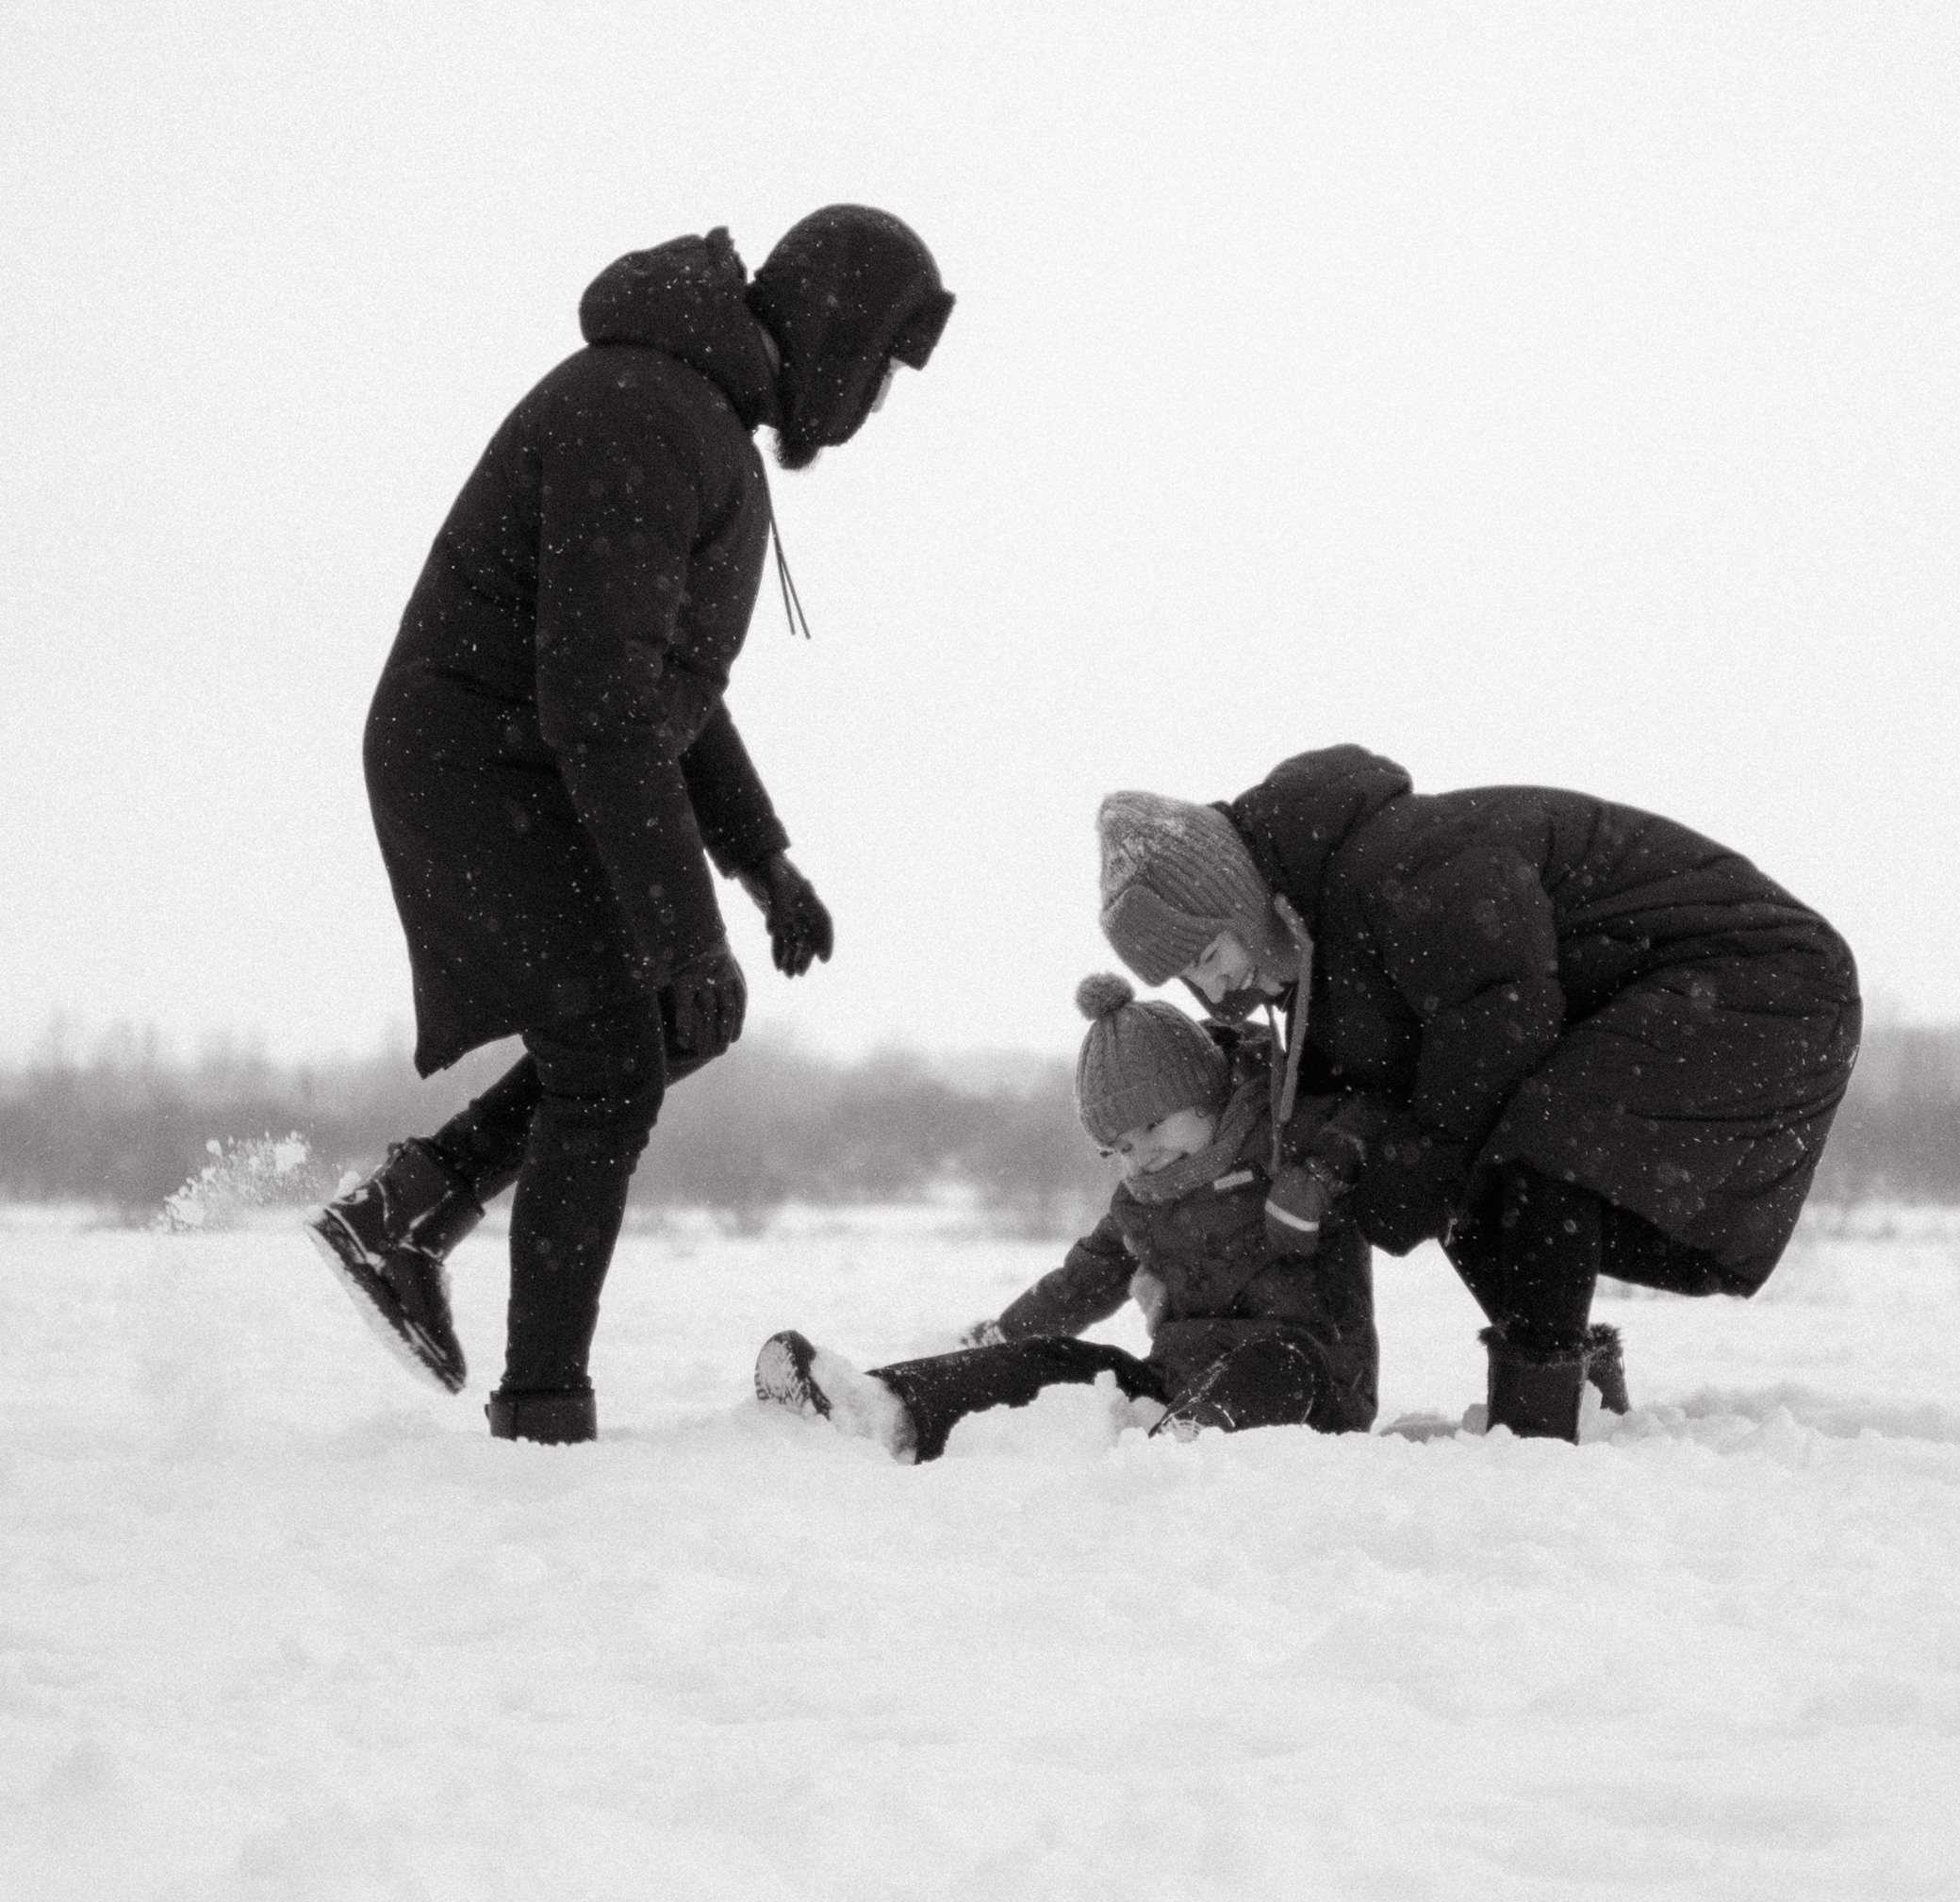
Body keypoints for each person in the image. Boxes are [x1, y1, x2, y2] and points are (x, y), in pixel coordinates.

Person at [312, 211, 952, 1444]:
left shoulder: (692, 419)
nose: (871, 403)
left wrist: (761, 861)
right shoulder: (648, 415)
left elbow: (668, 694)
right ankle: (541, 1411)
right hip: (483, 758)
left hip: (517, 750)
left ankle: (411, 1208)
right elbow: (602, 702)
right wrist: (683, 930)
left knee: (651, 1027)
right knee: (618, 1049)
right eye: (874, 369)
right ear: (829, 334)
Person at [1095, 748, 1861, 1441]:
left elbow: (1499, 1022)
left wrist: (1417, 1170)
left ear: (1239, 899)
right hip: (1685, 995)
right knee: (1439, 1168)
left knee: (1529, 1141)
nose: (1212, 987)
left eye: (1207, 954)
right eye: (1187, 979)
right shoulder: (1324, 954)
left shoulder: (1409, 864)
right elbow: (1364, 1115)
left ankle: (1539, 1426)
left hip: (1761, 978)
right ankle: (1578, 1397)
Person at [752, 969, 1379, 1461]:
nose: (1145, 1153)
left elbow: (1371, 1127)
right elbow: (1083, 1280)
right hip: (1175, 1385)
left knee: (1277, 1355)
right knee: (1059, 1360)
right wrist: (1002, 1335)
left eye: (1155, 1124)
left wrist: (1323, 1176)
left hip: (1313, 1387)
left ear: (1210, 1092)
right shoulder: (1141, 1202)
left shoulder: (1288, 1143)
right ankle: (884, 1408)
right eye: (1123, 1145)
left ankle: (1189, 1447)